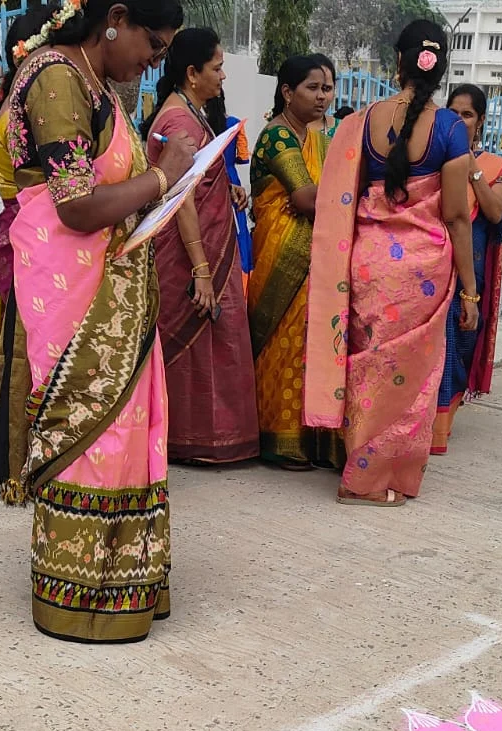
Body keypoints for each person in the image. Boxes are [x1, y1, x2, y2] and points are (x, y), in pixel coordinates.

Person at [0, 0, 191, 642]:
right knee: (89, 435)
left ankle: (120, 584)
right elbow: (75, 206)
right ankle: (77, 596)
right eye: (154, 45)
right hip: (72, 294)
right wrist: (163, 177)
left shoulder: (93, 79)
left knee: (125, 435)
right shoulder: (57, 76)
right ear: (116, 17)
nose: (154, 61)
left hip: (107, 286)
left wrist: (154, 177)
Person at [305, 20, 478, 506]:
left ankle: (359, 462)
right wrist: (470, 290)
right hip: (421, 274)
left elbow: (346, 194)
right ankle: (370, 479)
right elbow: (457, 216)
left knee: (367, 369)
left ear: (398, 61)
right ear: (441, 68)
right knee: (408, 380)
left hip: (367, 267)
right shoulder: (449, 128)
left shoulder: (362, 122)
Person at [143, 28, 258, 464]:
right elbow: (183, 198)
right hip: (189, 253)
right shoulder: (178, 122)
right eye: (217, 67)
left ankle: (210, 437)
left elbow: (203, 178)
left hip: (208, 245)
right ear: (192, 73)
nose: (223, 76)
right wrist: (201, 270)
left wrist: (227, 189)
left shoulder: (191, 112)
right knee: (199, 338)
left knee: (217, 340)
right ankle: (192, 439)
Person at [0, 4, 54, 503]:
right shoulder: (23, 117)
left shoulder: (18, 107)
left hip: (26, 233)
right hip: (32, 237)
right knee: (27, 351)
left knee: (25, 348)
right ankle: (23, 465)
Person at [248, 53, 339, 469]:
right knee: (285, 341)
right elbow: (305, 198)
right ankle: (278, 437)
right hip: (284, 251)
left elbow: (321, 192)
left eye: (327, 88)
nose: (322, 96)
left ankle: (311, 435)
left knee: (310, 344)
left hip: (315, 254)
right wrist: (342, 193)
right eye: (312, 87)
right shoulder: (278, 135)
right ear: (287, 91)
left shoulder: (318, 137)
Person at [434, 83, 502, 455]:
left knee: (461, 344)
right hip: (434, 268)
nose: (459, 120)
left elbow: (496, 213)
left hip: (472, 273)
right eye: (453, 113)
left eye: (467, 114)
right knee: (437, 348)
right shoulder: (432, 157)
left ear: (480, 120)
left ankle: (443, 420)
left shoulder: (494, 167)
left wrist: (472, 168)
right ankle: (429, 427)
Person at [205, 94, 253, 280]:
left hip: (210, 177)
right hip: (231, 177)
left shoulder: (201, 125)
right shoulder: (235, 124)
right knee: (238, 224)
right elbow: (243, 157)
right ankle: (242, 268)